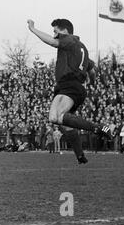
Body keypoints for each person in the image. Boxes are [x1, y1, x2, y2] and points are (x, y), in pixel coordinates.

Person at [27, 18, 112, 164]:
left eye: (55, 31)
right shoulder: (81, 48)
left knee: (55, 116)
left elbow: (53, 42)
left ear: (64, 31)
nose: (54, 34)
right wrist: (92, 83)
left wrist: (33, 29)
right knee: (65, 122)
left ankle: (99, 128)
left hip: (69, 85)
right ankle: (80, 156)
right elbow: (92, 70)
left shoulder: (69, 40)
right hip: (75, 87)